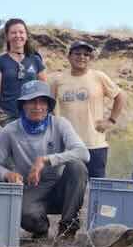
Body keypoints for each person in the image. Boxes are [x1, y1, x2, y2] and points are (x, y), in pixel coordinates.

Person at [0, 80, 89, 240]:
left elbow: (83, 153)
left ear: (49, 105)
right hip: (31, 189)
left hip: (60, 188)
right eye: (31, 102)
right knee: (25, 215)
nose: (37, 106)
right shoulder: (9, 131)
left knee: (77, 167)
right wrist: (8, 174)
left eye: (42, 101)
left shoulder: (60, 124)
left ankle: (67, 228)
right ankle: (41, 228)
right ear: (22, 105)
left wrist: (46, 160)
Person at [50, 40, 125, 178]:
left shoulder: (98, 77)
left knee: (96, 191)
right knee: (70, 189)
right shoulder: (58, 80)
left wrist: (111, 120)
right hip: (69, 146)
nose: (82, 57)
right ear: (69, 56)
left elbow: (120, 96)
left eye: (86, 54)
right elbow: (49, 106)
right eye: (77, 53)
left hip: (95, 144)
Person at [0, 18, 46, 138]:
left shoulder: (35, 60)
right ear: (7, 36)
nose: (18, 36)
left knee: (32, 154)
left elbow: (44, 89)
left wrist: (47, 114)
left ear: (26, 35)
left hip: (32, 115)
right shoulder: (0, 62)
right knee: (10, 155)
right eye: (13, 33)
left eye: (21, 32)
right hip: (7, 117)